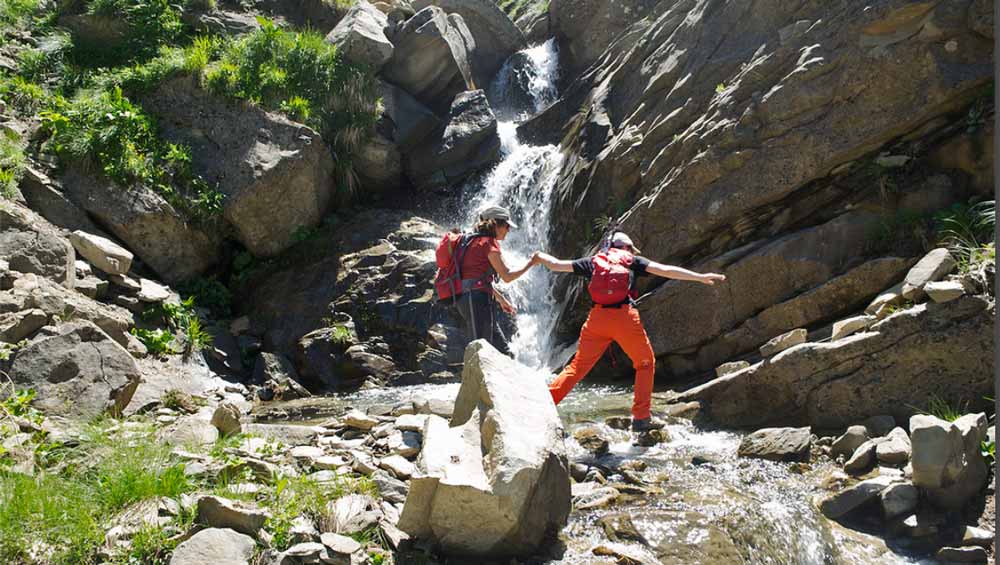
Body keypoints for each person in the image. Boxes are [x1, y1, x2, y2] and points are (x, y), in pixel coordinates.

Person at [531, 232, 726, 431]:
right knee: (645, 363)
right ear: (627, 248)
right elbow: (665, 270)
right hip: (624, 318)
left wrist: (539, 257)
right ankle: (641, 418)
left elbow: (556, 265)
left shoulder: (593, 262)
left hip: (597, 319)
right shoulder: (631, 261)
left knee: (576, 368)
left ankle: (543, 406)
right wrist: (699, 277)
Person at [448, 206, 535, 354]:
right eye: (507, 226)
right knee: (481, 351)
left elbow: (475, 277)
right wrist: (532, 263)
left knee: (503, 351)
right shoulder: (488, 243)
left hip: (469, 299)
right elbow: (506, 276)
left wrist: (501, 299)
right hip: (476, 301)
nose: (508, 230)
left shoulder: (472, 241)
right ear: (496, 224)